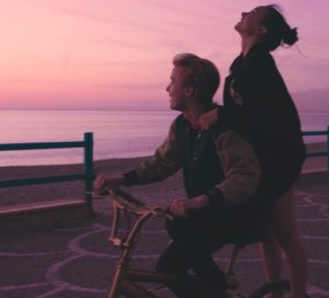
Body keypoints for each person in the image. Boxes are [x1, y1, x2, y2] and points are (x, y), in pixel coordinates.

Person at [94, 53, 265, 298]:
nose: (167, 87)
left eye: (173, 81)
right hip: (202, 216)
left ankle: (214, 285)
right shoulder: (182, 125)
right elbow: (161, 163)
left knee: (180, 229)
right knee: (168, 267)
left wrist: (199, 200)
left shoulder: (223, 127)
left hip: (234, 214)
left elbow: (245, 176)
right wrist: (119, 179)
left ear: (189, 90)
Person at [198, 4, 309, 298]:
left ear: (260, 30)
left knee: (287, 237)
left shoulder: (260, 64)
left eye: (253, 12)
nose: (244, 11)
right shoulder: (241, 63)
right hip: (259, 159)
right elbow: (245, 111)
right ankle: (275, 293)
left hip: (278, 160)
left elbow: (263, 114)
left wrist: (220, 115)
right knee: (267, 237)